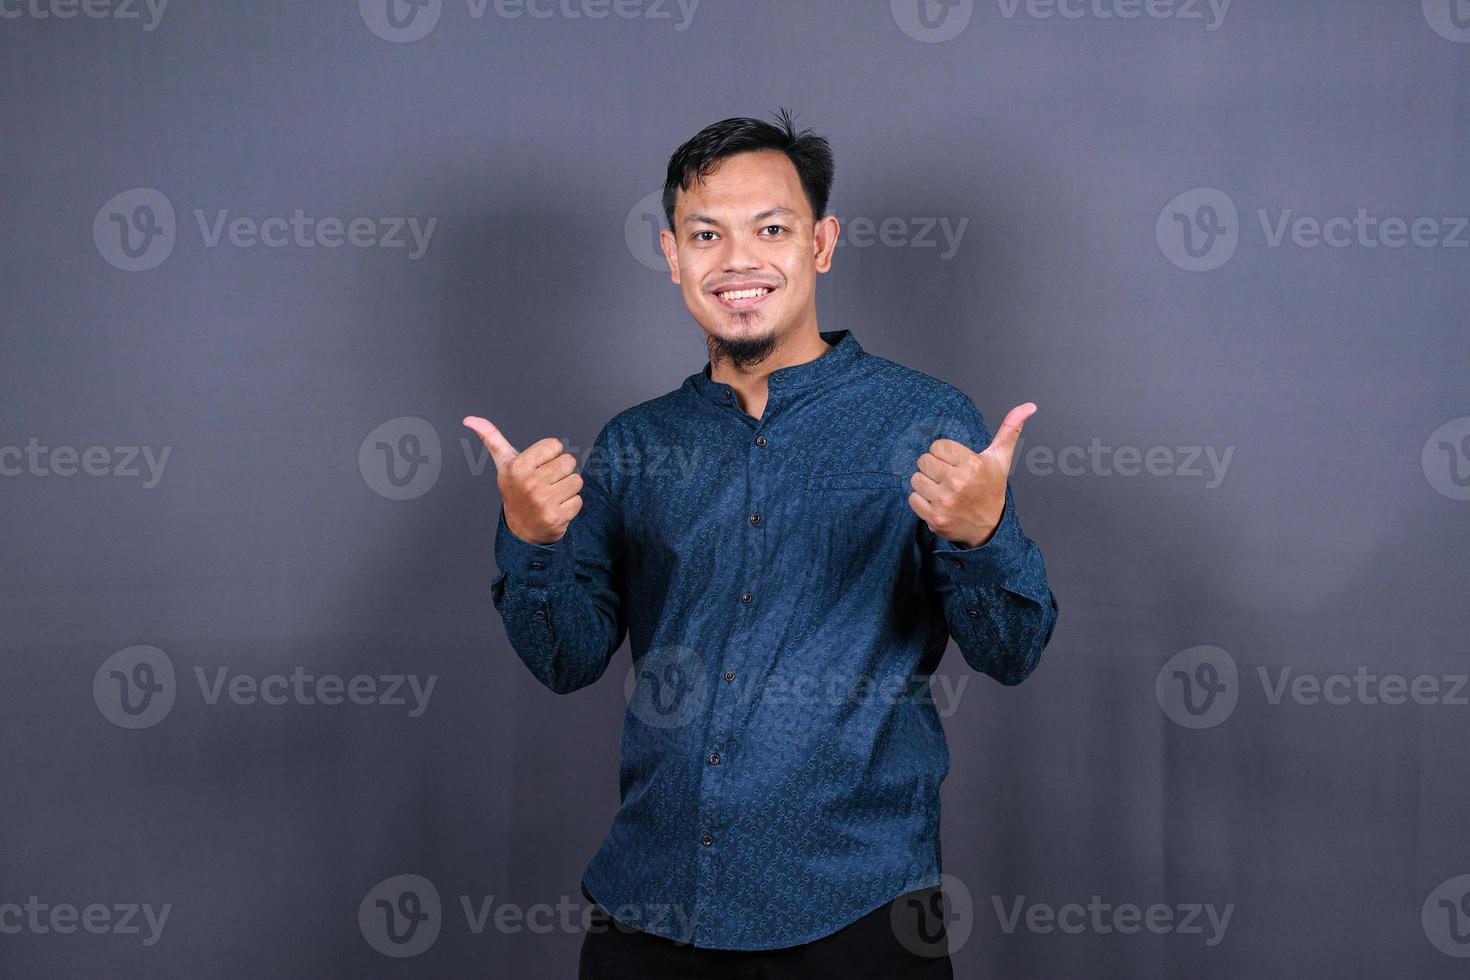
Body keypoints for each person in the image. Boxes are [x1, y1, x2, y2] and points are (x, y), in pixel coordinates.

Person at [464, 107, 1059, 979]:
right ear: (672, 257)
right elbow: (566, 660)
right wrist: (531, 542)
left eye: (770, 229)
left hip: (860, 915)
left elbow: (1011, 652)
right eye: (706, 233)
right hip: (653, 907)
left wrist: (983, 538)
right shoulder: (636, 444)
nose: (738, 260)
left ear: (820, 245)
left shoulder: (925, 422)